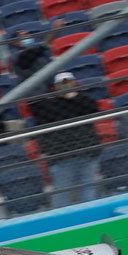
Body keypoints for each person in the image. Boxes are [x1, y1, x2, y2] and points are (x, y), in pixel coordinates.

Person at [30, 72, 100, 207]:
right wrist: (46, 150)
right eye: (62, 84)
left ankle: (91, 214)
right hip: (62, 155)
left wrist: (75, 97)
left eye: (68, 82)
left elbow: (94, 109)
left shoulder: (83, 99)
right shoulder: (48, 105)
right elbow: (41, 127)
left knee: (88, 188)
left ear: (74, 83)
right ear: (56, 87)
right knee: (62, 193)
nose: (66, 86)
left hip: (87, 150)